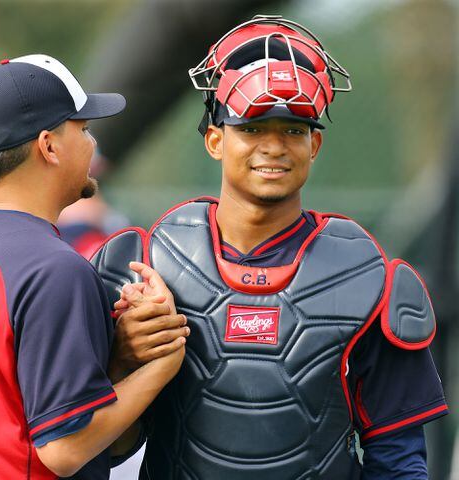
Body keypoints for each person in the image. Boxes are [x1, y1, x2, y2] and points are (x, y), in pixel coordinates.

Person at [91, 16, 448, 479]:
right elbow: (105, 449)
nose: (275, 147)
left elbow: (398, 457)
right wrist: (122, 359)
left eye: (294, 130)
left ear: (315, 144)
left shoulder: (367, 276)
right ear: (216, 139)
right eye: (253, 128)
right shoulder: (142, 266)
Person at [0, 54, 189, 479]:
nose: (91, 144)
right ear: (49, 146)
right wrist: (164, 362)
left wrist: (119, 360)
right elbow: (65, 449)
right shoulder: (53, 268)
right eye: (84, 130)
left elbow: (11, 394)